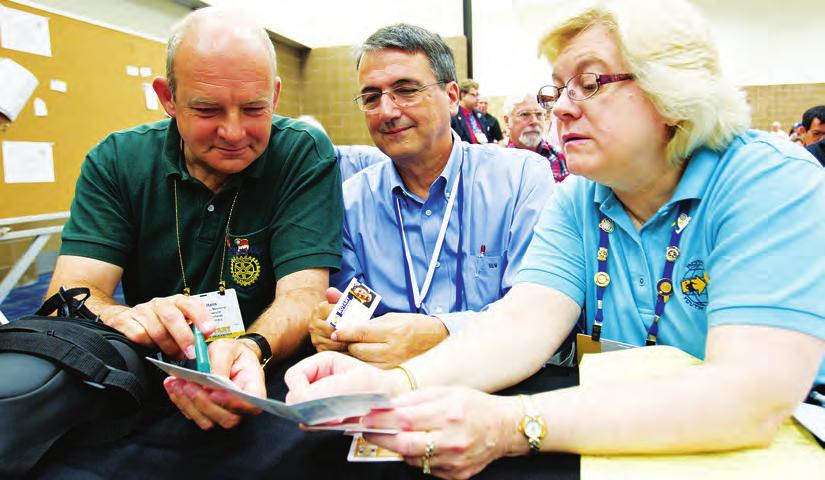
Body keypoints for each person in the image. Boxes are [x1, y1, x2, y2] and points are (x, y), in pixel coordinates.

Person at [286, 1, 825, 478]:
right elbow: (521, 324)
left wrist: (510, 425)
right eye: (559, 88)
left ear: (672, 90)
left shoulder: (767, 179)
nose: (561, 108)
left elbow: (748, 396)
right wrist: (394, 386)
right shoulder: (581, 198)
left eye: (589, 83)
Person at [49, 7, 343, 431]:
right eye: (207, 110)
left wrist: (251, 348)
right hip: (150, 382)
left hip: (269, 376)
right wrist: (122, 317)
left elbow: (303, 293)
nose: (234, 131)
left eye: (254, 108)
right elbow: (70, 295)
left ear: (275, 96)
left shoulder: (302, 152)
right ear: (167, 97)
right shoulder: (117, 161)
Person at [308, 24, 554, 369]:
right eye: (371, 97)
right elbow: (352, 311)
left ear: (452, 97)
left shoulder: (520, 180)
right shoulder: (349, 204)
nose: (387, 111)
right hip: (390, 395)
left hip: (504, 389)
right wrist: (332, 328)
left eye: (406, 90)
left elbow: (540, 312)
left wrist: (443, 333)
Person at [504, 91, 569, 183]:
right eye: (524, 114)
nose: (534, 121)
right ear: (507, 121)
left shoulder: (561, 157)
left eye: (539, 114)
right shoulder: (498, 163)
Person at [450, 79, 488, 144]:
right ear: (463, 95)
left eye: (477, 95)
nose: (477, 98)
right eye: (473, 95)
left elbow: (488, 138)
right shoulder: (454, 115)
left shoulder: (480, 115)